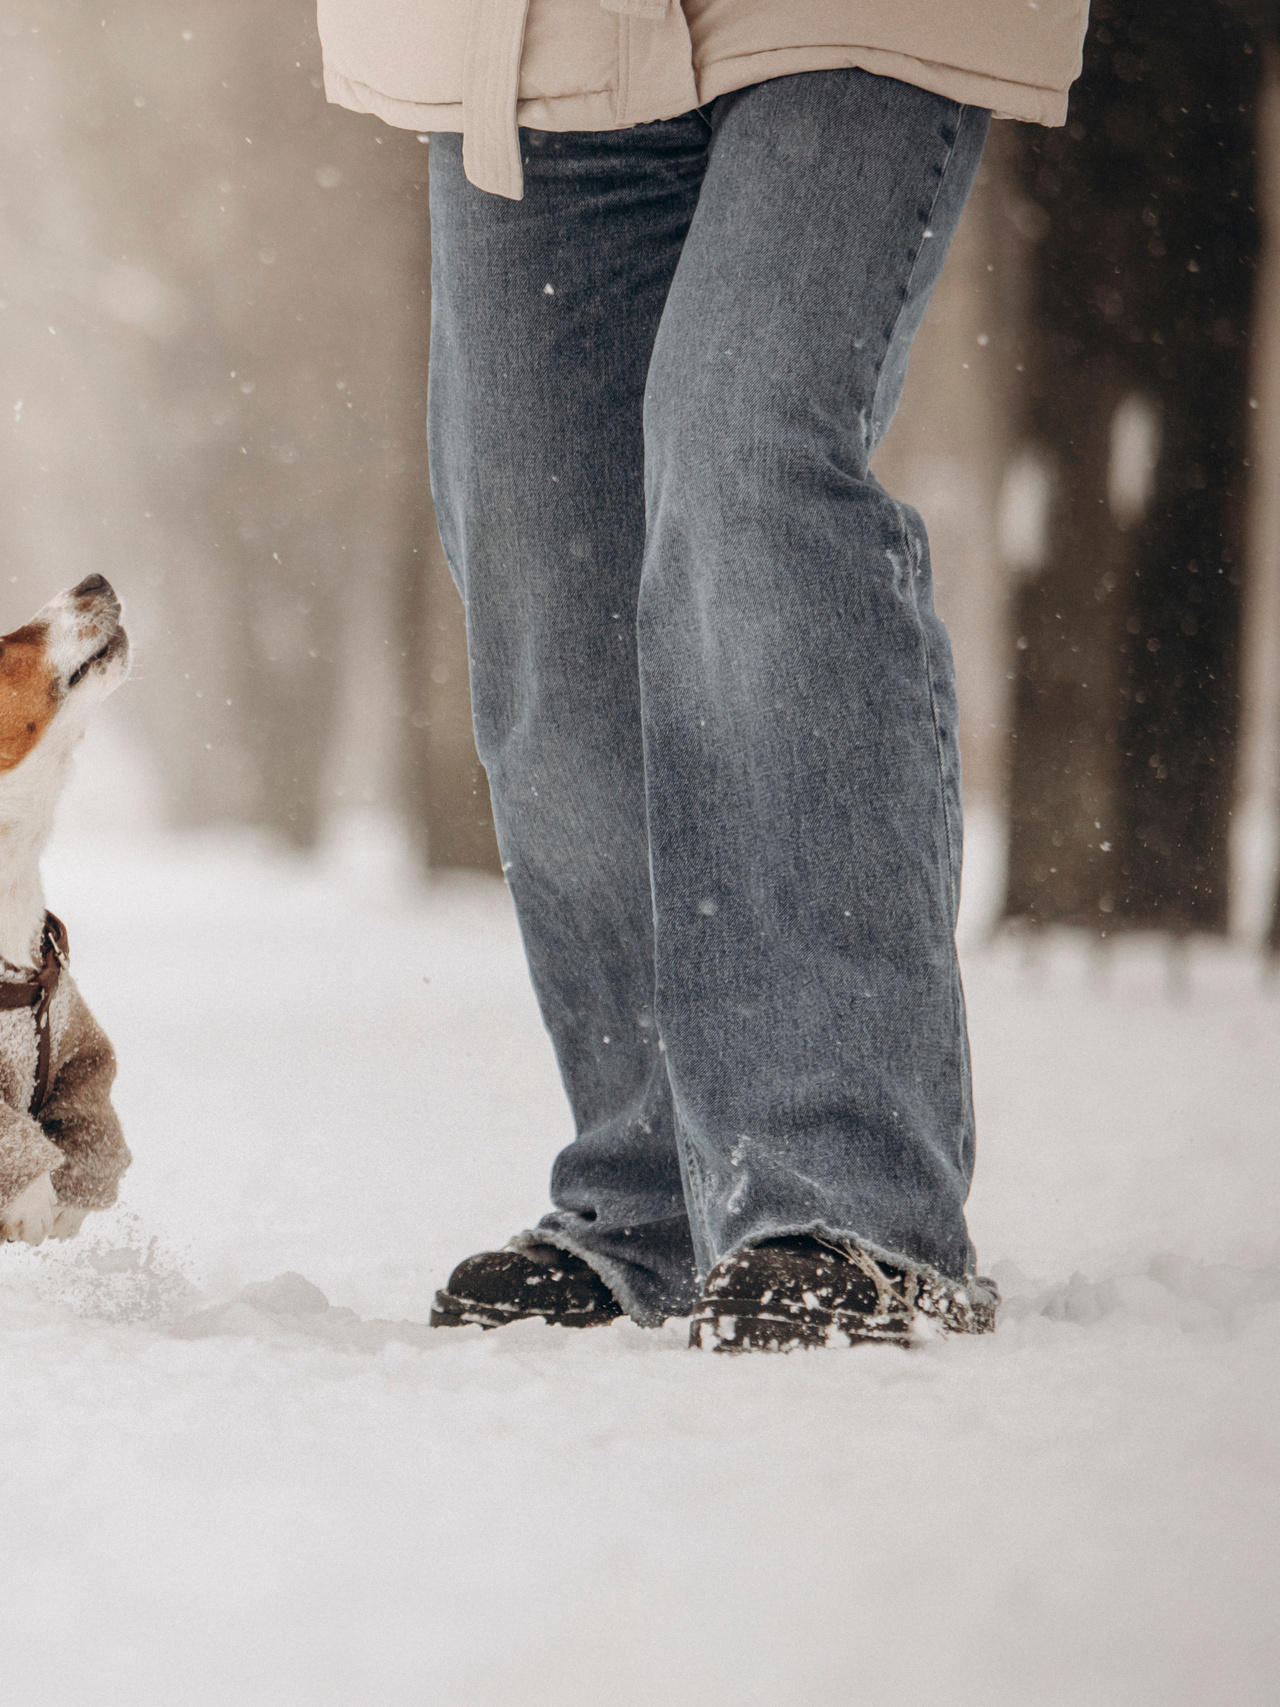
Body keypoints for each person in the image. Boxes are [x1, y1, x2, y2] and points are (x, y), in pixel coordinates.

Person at [317, 1, 1092, 1350]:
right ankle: (660, 1191)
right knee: (540, 553)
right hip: (516, 31)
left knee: (744, 458)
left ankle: (846, 1193)